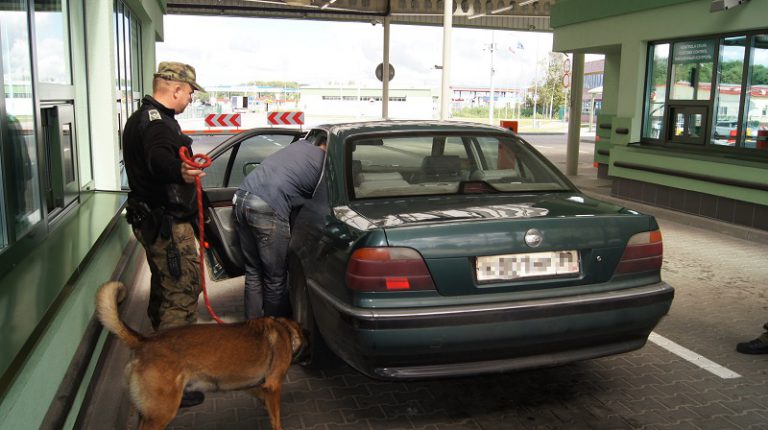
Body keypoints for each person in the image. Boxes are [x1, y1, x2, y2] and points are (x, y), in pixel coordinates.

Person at [122, 62, 206, 407]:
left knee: (164, 291)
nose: (190, 98)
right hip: (168, 226)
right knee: (181, 295)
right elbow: (159, 161)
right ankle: (169, 384)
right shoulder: (157, 125)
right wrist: (182, 170)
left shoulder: (141, 118)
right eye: (189, 92)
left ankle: (154, 364)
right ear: (174, 89)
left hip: (153, 221)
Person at [233, 136, 327, 320]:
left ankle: (253, 330)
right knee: (275, 277)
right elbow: (324, 206)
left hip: (242, 197)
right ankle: (273, 331)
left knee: (253, 271)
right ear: (329, 146)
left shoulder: (299, 146)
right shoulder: (324, 164)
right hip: (267, 205)